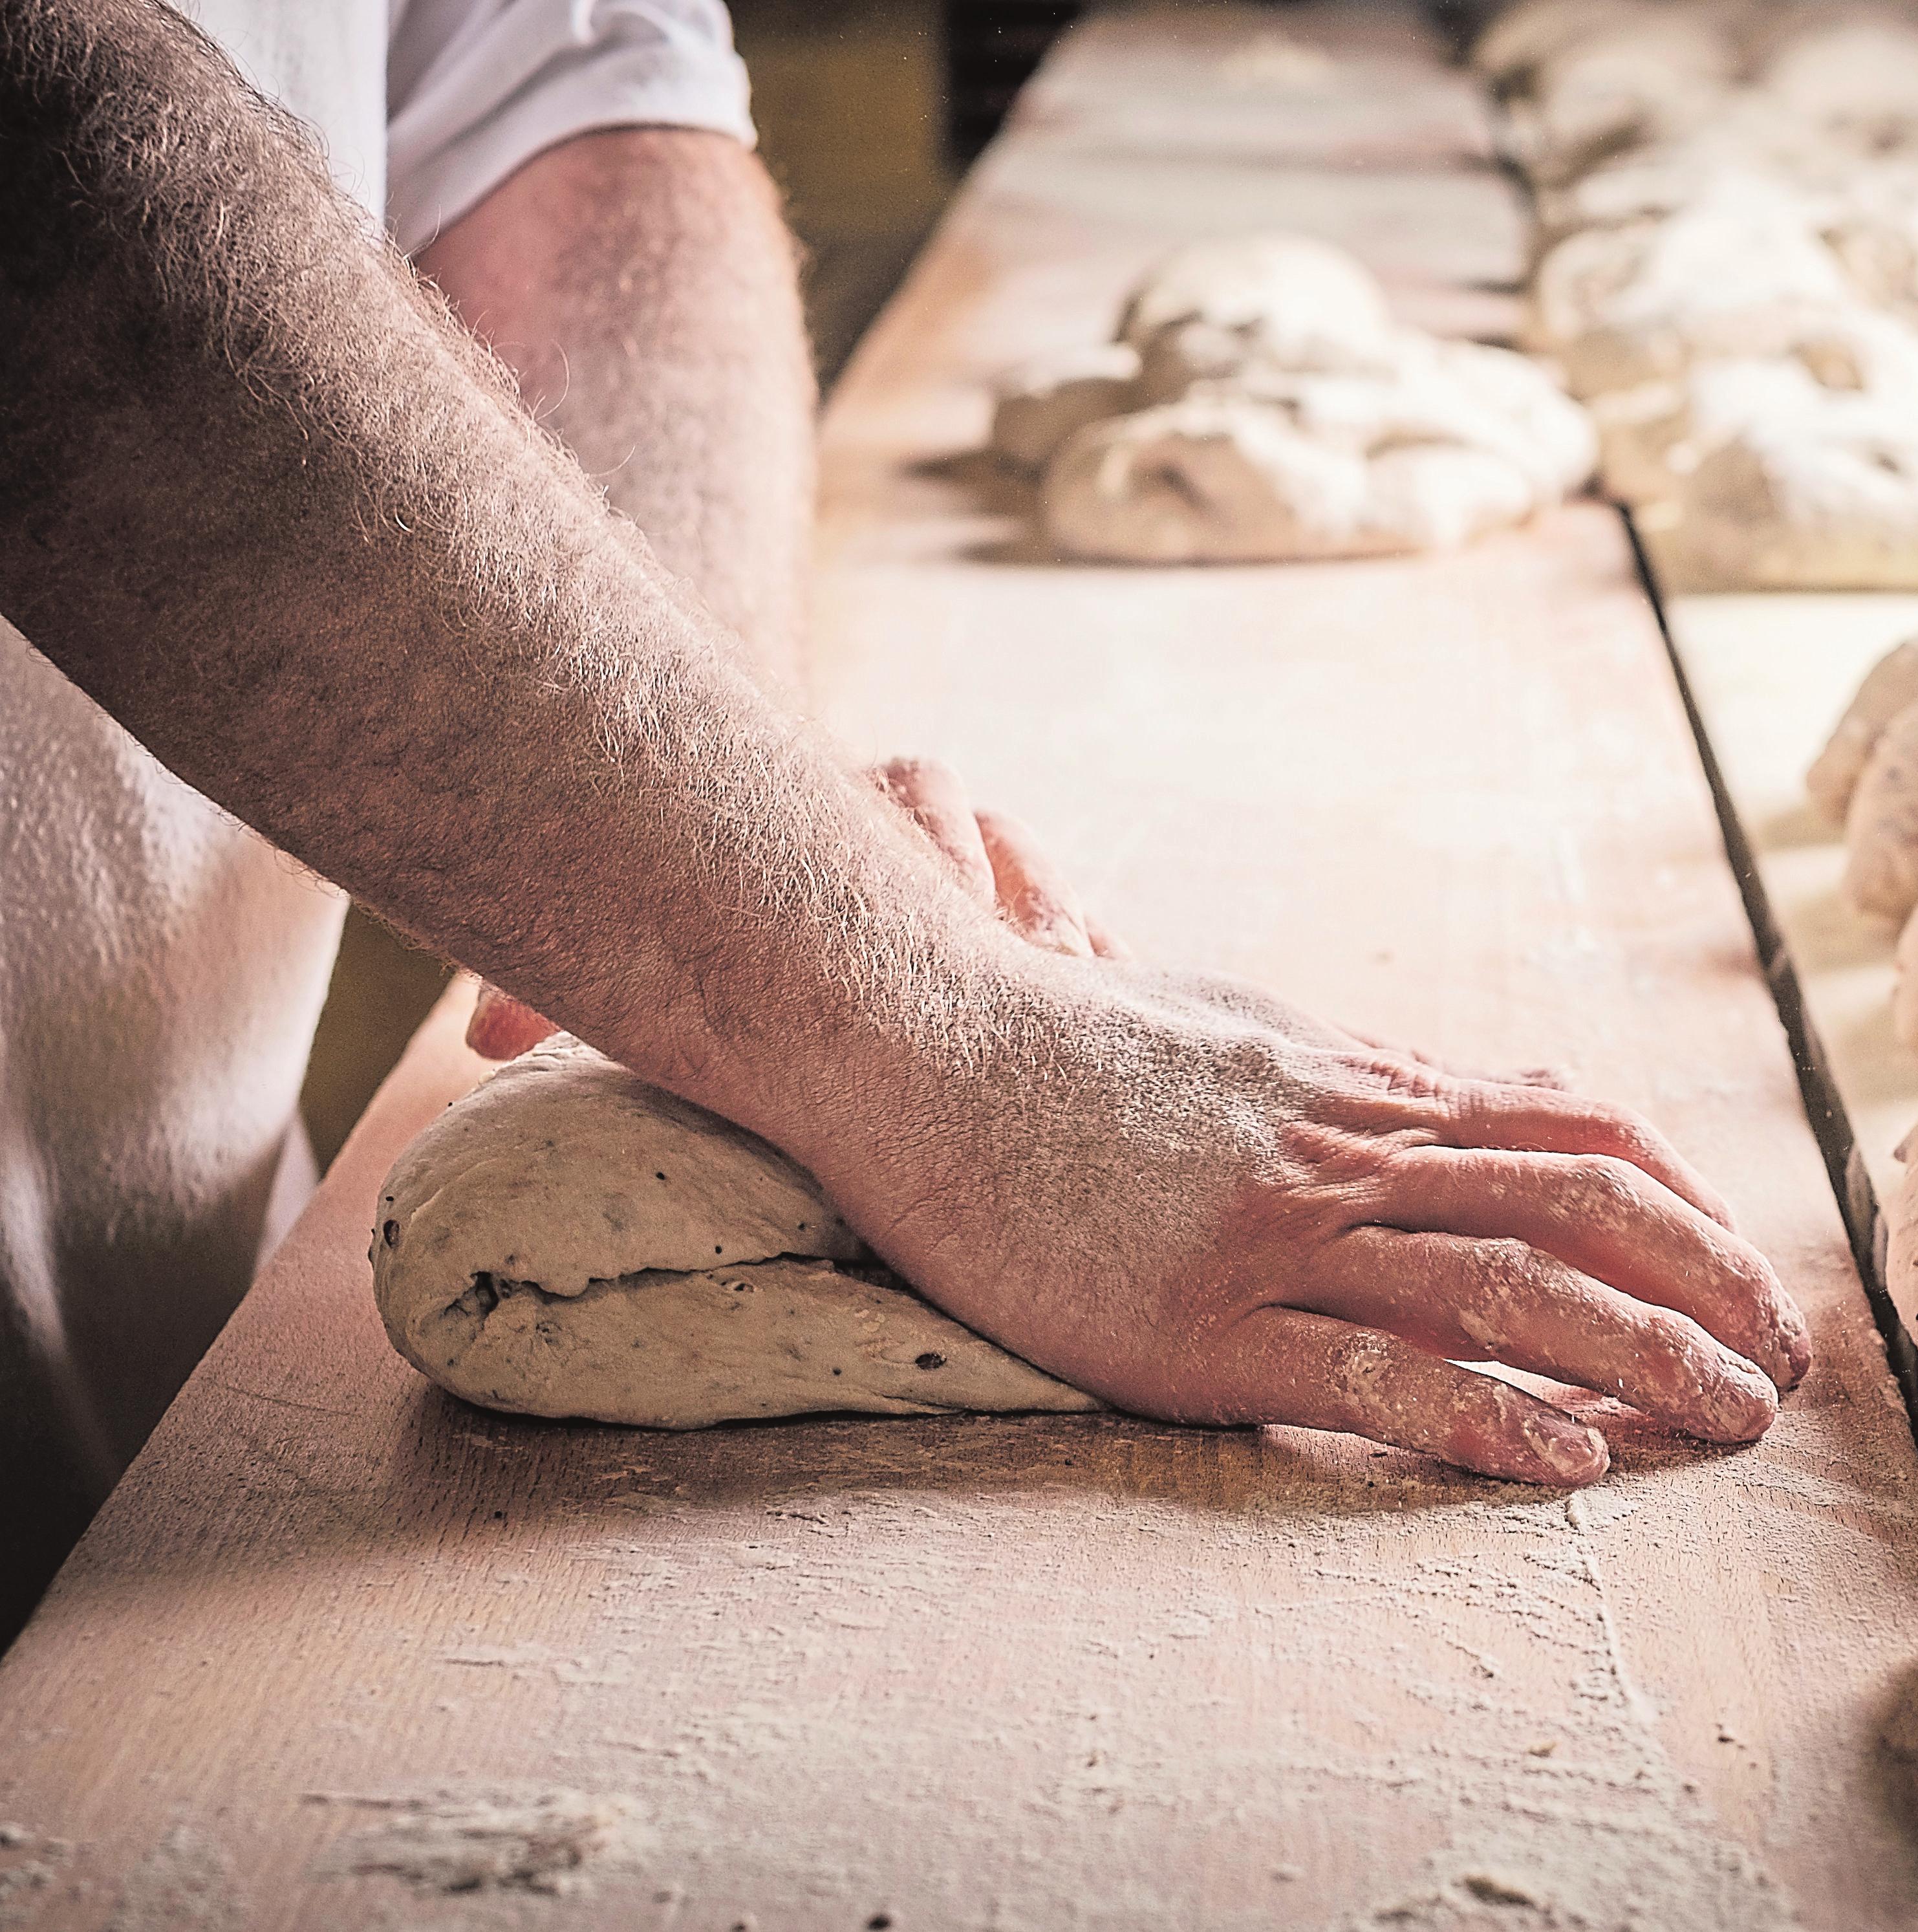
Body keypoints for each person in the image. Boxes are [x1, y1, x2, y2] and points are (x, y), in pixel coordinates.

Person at [0, 0, 1811, 1642]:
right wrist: (935, 1042)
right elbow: (45, 177)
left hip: (178, 1384)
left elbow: (580, 102)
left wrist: (708, 823)